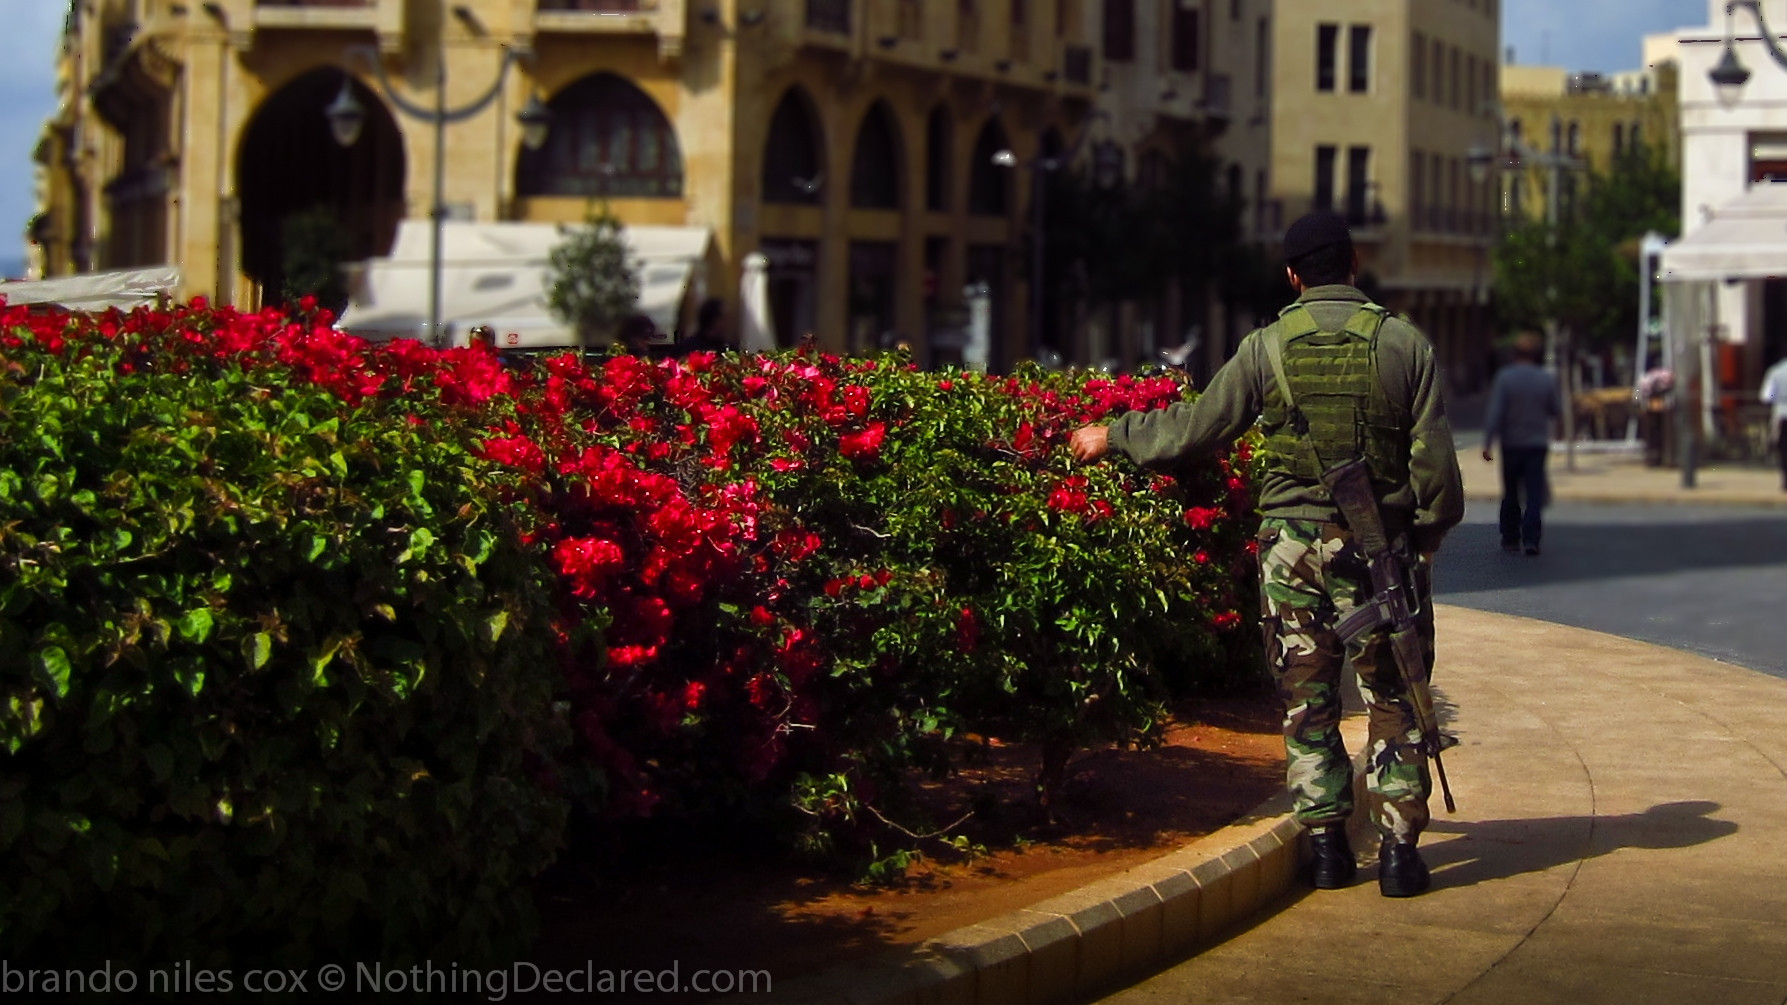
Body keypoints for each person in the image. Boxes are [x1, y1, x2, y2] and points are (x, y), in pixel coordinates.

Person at [1068, 210, 1464, 898]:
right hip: (1377, 553)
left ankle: (1325, 847)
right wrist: (1420, 542)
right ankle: (1399, 852)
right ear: (1354, 266)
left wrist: (1114, 434)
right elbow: (1435, 473)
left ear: (1290, 275)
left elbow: (1197, 427)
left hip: (1289, 552)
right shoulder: (1405, 346)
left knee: (1306, 698)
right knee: (1393, 695)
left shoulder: (1265, 346)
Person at [1481, 332, 1560, 554]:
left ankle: (1510, 537)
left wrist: (1488, 442)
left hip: (1511, 443)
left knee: (1511, 491)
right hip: (1536, 443)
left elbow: (1495, 413)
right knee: (1534, 492)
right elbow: (1555, 409)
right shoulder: (1546, 378)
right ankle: (1532, 539)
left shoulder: (1505, 378)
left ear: (1514, 354)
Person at [1764, 353, 1787, 491]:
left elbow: (1768, 396)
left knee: (1784, 449)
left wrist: (1778, 397)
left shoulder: (1775, 371)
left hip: (1781, 414)